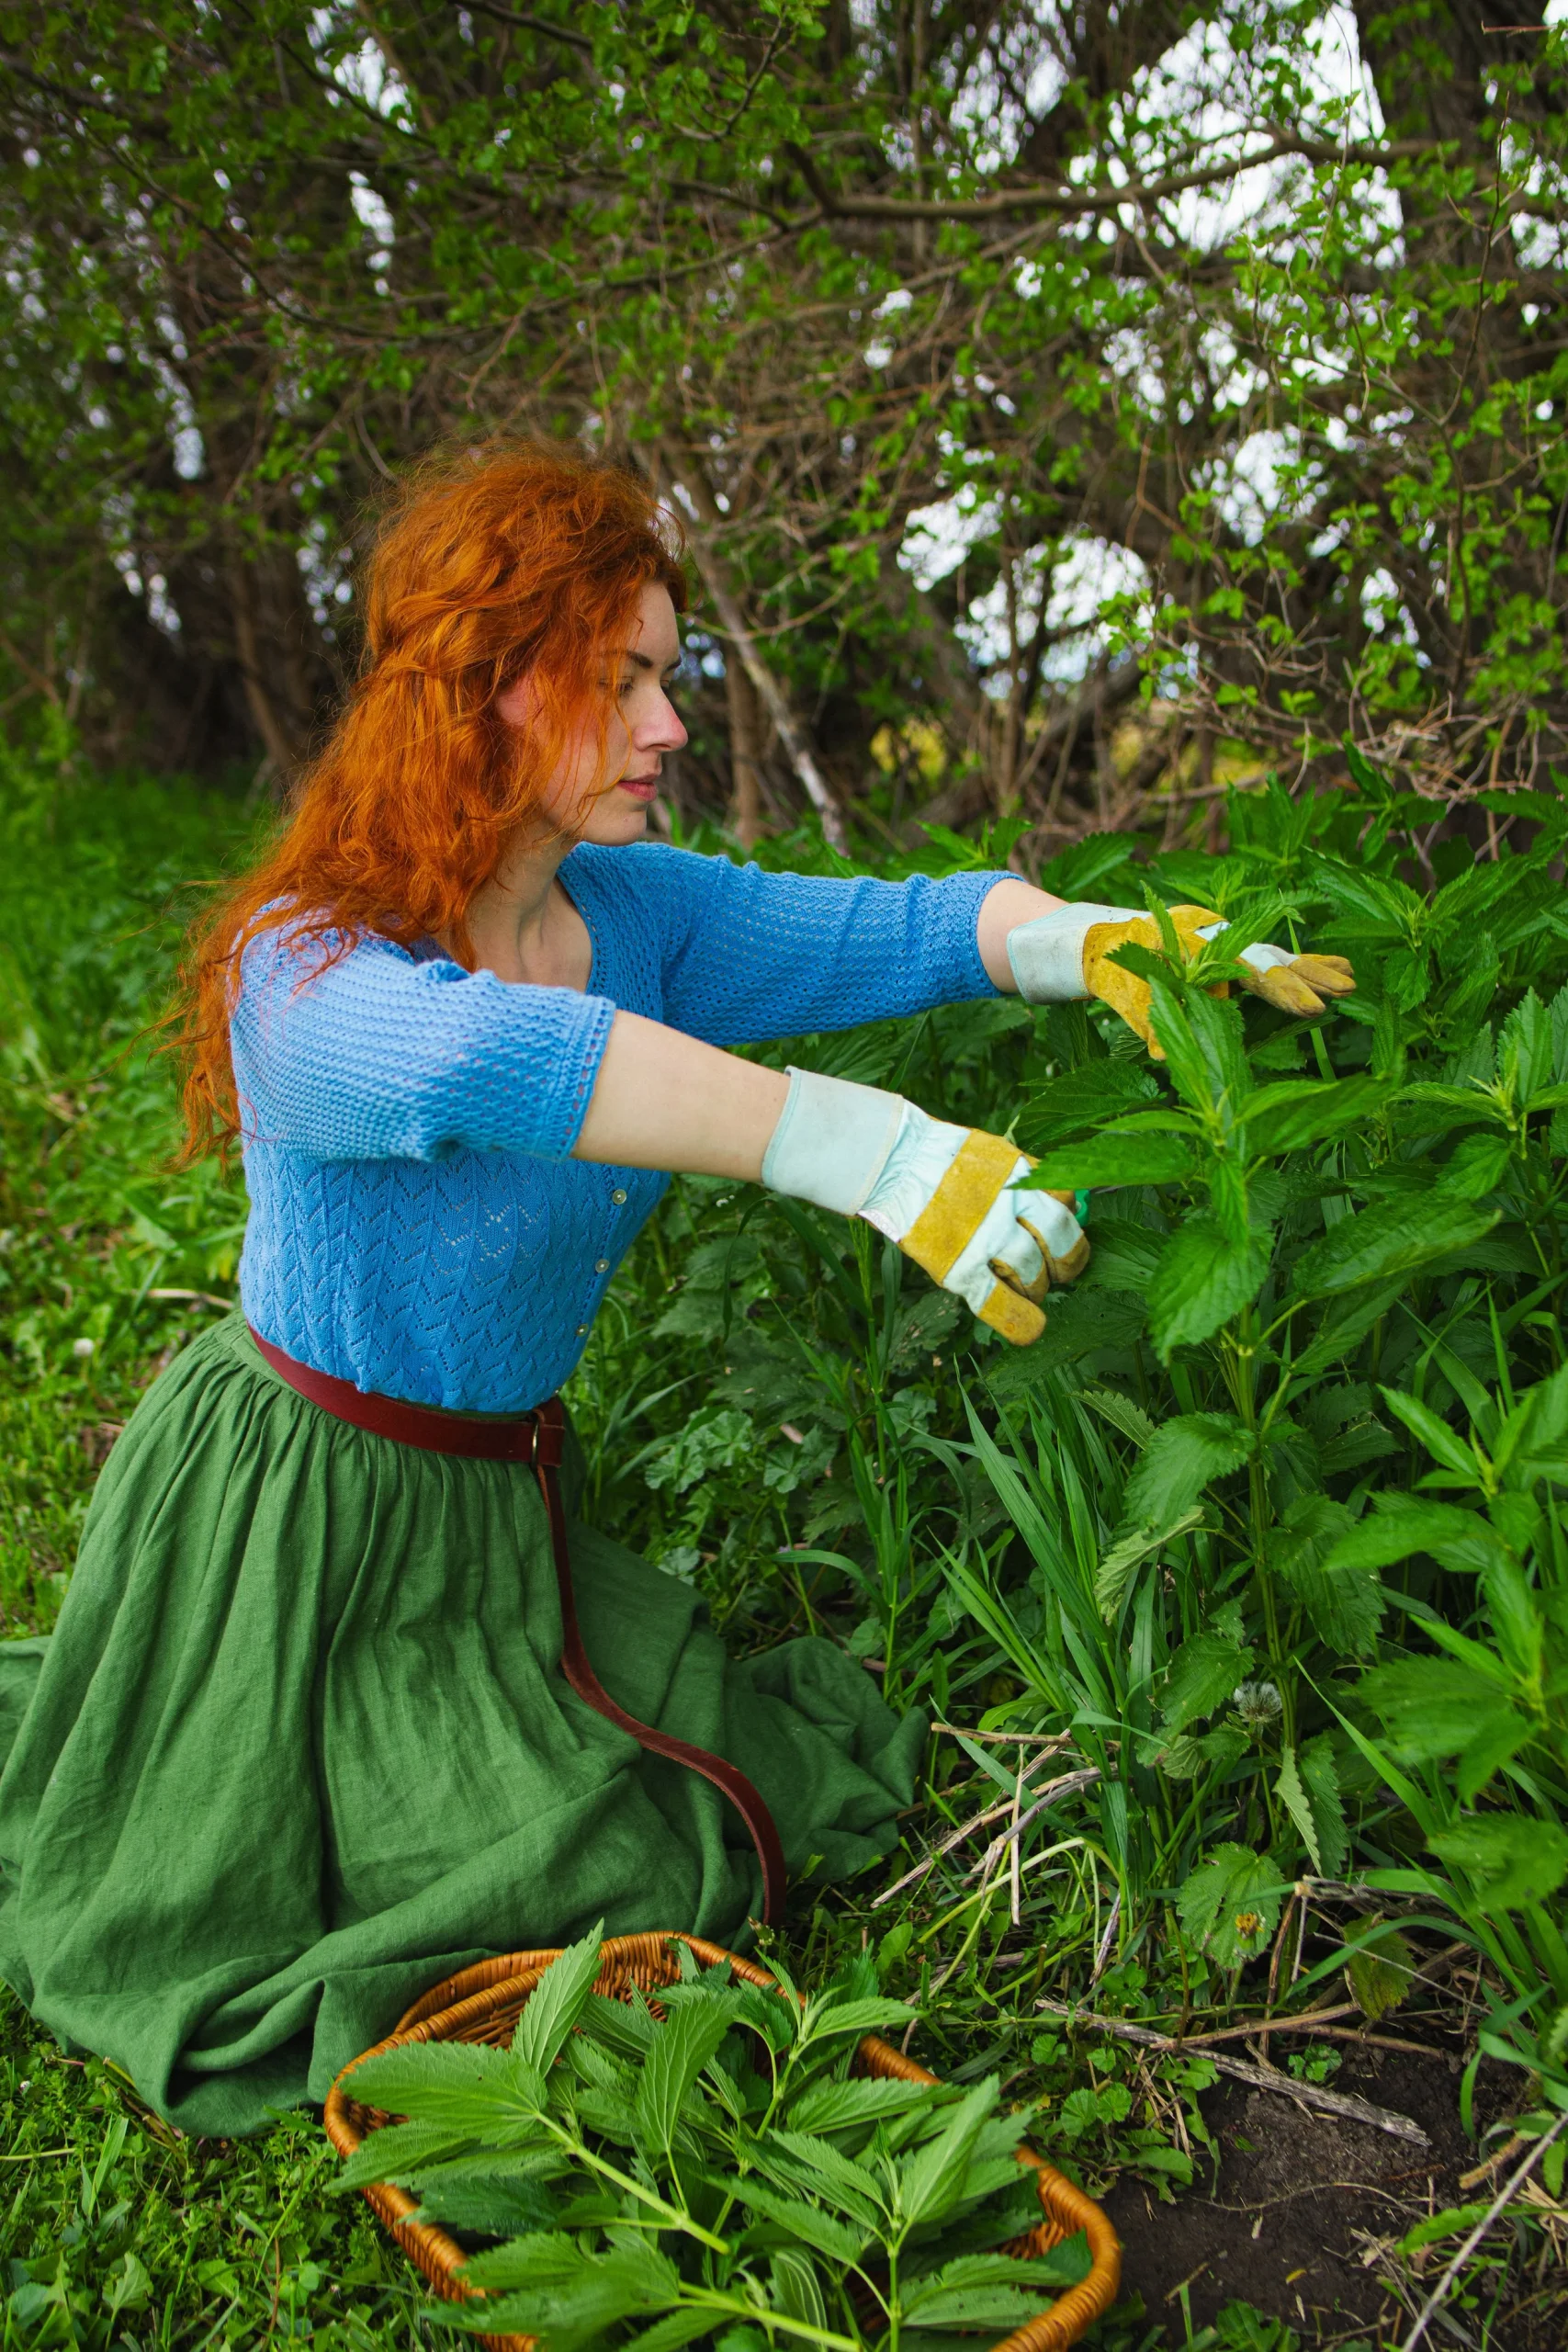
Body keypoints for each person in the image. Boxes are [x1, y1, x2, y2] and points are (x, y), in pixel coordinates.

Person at [0, 444, 1351, 2135]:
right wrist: (861, 1151)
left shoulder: (630, 913)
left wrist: (1096, 939)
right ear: (486, 691)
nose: (667, 723)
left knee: (666, 1826)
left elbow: (889, 927)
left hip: (496, 1519)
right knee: (435, 1893)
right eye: (617, 678)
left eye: (667, 674)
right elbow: (499, 1064)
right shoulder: (310, 968)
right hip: (296, 1529)